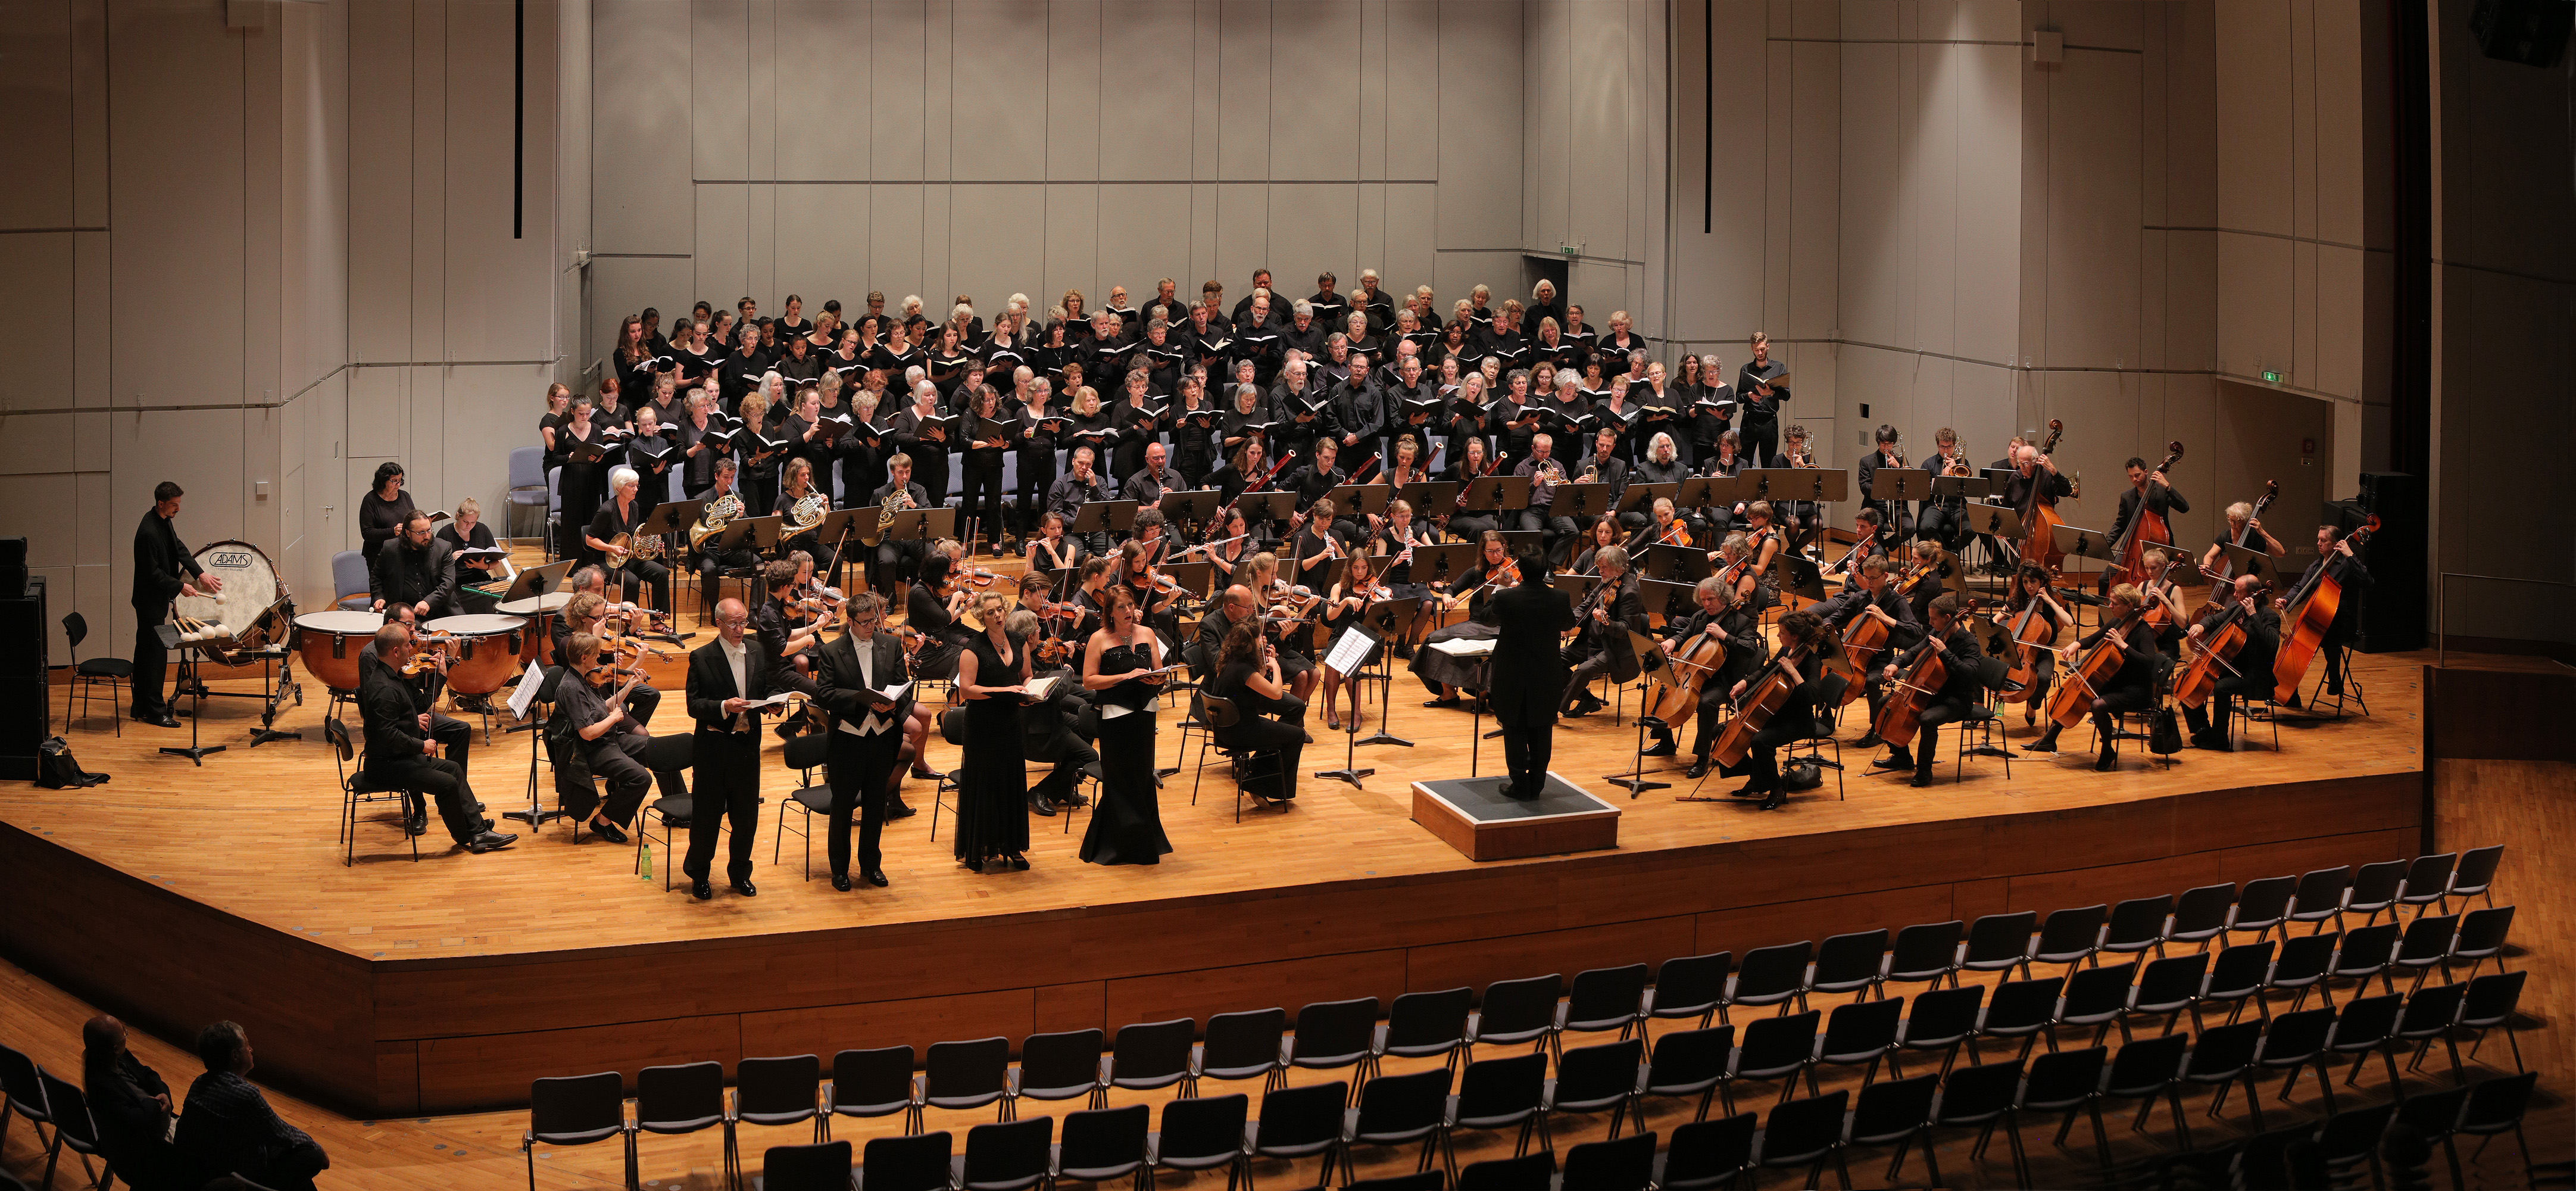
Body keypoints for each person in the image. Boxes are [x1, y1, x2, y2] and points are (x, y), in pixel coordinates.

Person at [359, 623, 513, 852]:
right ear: (395, 652)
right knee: (447, 783)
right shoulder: (385, 689)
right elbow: (386, 735)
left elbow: (399, 718)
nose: (412, 649)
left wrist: (413, 724)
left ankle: (477, 829)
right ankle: (469, 835)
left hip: (397, 757)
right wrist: (421, 745)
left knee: (453, 769)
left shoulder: (389, 676)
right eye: (407, 645)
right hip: (388, 765)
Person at [683, 598, 785, 899]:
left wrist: (774, 702)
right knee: (707, 817)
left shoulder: (756, 650)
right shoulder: (701, 657)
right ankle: (700, 874)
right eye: (734, 623)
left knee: (745, 818)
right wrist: (723, 707)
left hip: (746, 748)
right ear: (719, 624)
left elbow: (764, 689)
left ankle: (740, 873)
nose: (741, 628)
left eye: (743, 622)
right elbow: (694, 706)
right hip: (713, 749)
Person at [811, 592, 913, 891]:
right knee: (842, 807)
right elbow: (824, 694)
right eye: (865, 622)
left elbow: (903, 688)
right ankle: (840, 870)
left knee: (874, 805)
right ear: (851, 622)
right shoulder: (832, 652)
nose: (871, 627)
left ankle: (871, 865)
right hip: (848, 741)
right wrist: (861, 699)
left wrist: (894, 705)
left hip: (882, 738)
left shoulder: (891, 645)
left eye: (874, 621)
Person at [553, 631, 689, 846]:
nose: (600, 660)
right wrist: (615, 718)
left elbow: (603, 707)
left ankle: (678, 811)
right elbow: (587, 733)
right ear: (584, 658)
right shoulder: (571, 687)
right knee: (641, 778)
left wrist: (629, 687)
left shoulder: (586, 678)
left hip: (611, 739)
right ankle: (603, 821)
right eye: (596, 656)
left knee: (661, 752)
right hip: (592, 750)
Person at [1079, 587, 1172, 865]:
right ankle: (1117, 844)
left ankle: (1145, 840)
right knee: (1120, 777)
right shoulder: (1099, 639)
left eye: (1130, 605)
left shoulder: (1147, 634)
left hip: (1145, 711)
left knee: (1142, 775)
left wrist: (1157, 679)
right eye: (1121, 607)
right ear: (1109, 612)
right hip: (1115, 715)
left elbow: (1158, 671)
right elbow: (1088, 681)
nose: (1129, 611)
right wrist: (1125, 676)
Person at [178, 1022, 329, 1191]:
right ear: (235, 1056)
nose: (251, 1050)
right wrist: (318, 1148)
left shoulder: (198, 1083)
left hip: (202, 1170)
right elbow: (284, 1133)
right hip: (236, 1178)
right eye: (247, 1046)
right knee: (311, 1156)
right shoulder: (245, 1095)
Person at [2029, 584, 2159, 770]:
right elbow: (2093, 639)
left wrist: (2123, 645)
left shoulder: (2143, 631)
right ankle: (2050, 739)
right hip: (2115, 682)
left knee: (2097, 705)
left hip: (2136, 689)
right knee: (2075, 691)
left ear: (2129, 606)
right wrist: (2076, 644)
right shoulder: (2117, 622)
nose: (2110, 607)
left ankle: (2107, 750)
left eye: (2115, 603)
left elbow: (2149, 662)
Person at [1868, 593, 1987, 787]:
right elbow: (1914, 651)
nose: (1930, 622)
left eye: (1933, 618)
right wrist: (1896, 663)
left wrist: (1945, 653)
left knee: (1928, 719)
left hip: (1957, 699)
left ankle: (1924, 771)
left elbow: (1969, 674)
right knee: (1884, 704)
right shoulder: (1936, 633)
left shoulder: (1968, 643)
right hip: (1931, 693)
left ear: (1947, 618)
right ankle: (1901, 757)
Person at [1721, 609, 1835, 810]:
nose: (1777, 635)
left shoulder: (1812, 661)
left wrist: (1793, 671)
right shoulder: (1786, 651)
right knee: (1721, 731)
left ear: (1794, 636)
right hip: (1775, 714)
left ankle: (1775, 788)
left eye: (1781, 632)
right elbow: (1766, 670)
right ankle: (1757, 778)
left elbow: (1811, 697)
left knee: (1760, 741)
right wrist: (1745, 683)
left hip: (1798, 721)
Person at [1650, 577, 1767, 774]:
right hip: (1694, 675)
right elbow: (1685, 635)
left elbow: (1750, 648)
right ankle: (1666, 743)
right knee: (1664, 689)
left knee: (1707, 703)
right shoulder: (1700, 617)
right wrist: (1672, 641)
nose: (1707, 604)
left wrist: (1725, 636)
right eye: (1703, 600)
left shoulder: (1742, 621)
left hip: (1725, 680)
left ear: (1724, 597)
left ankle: (1702, 758)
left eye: (1711, 599)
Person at [1488, 549, 1578, 799]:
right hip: (1546, 674)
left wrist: (1499, 586)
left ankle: (1519, 784)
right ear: (1545, 570)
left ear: (1522, 571)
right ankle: (1537, 784)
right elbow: (1568, 624)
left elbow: (1485, 617)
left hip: (1511, 673)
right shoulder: (1560, 598)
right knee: (1541, 729)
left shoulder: (1506, 598)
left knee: (1514, 729)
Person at [955, 591, 1033, 871]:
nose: (998, 615)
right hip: (982, 727)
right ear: (981, 617)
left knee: (1010, 783)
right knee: (985, 786)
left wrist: (1030, 690)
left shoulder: (1018, 640)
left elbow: (1026, 675)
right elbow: (966, 690)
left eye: (1000, 610)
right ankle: (977, 849)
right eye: (991, 613)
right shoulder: (972, 648)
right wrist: (1005, 691)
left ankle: (1011, 846)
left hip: (1011, 722)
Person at [130, 481, 219, 728]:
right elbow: (152, 573)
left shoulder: (163, 521)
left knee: (146, 651)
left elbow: (177, 548)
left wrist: (199, 573)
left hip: (155, 599)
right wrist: (180, 587)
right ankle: (155, 712)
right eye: (174, 505)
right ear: (161, 504)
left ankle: (140, 706)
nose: (178, 509)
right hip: (149, 602)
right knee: (154, 656)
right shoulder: (148, 531)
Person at [1208, 615, 1309, 806]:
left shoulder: (1228, 662)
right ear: (1249, 644)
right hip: (1242, 732)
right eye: (1258, 639)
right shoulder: (1244, 670)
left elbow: (1257, 678)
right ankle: (1260, 784)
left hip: (1224, 729)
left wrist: (1265, 663)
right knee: (1296, 735)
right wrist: (1277, 668)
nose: (1261, 641)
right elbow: (1277, 693)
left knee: (1283, 733)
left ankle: (1255, 776)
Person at [83, 1015, 191, 1191]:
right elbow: (134, 1119)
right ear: (116, 1048)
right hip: (144, 1147)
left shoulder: (114, 1055)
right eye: (124, 1034)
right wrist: (155, 1104)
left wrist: (163, 1093)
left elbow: (148, 1074)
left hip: (154, 1121)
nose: (126, 1036)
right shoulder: (99, 1083)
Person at [2183, 573, 2283, 750]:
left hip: (2254, 674)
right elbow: (2215, 619)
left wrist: (2254, 616)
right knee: (2186, 679)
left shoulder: (2270, 617)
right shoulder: (2235, 607)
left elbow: (2271, 645)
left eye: (2239, 592)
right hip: (2232, 667)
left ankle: (2220, 739)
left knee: (2222, 688)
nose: (2235, 595)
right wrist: (2202, 625)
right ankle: (2202, 730)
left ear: (2253, 594)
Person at [2279, 523, 2374, 704]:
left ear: (2336, 544)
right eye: (2318, 539)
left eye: (2324, 540)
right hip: (2319, 620)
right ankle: (2289, 693)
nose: (2319, 543)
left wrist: (2350, 555)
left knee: (2328, 637)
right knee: (2292, 642)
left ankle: (2335, 678)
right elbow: (2301, 587)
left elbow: (2368, 582)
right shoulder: (2316, 566)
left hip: (2342, 623)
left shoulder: (2347, 564)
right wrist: (2286, 600)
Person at [585, 465, 673, 612]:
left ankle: (658, 619)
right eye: (631, 486)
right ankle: (630, 622)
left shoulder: (634, 506)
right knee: (632, 581)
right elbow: (590, 539)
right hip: (607, 560)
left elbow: (634, 536)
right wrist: (612, 548)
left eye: (637, 485)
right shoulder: (607, 510)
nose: (636, 489)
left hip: (628, 557)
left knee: (661, 573)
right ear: (619, 488)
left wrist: (651, 545)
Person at [2106, 454, 2191, 588]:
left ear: (2146, 472)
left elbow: (2184, 507)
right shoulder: (2127, 497)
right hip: (2131, 549)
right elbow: (2120, 524)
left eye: (2137, 475)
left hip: (2158, 547)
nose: (2134, 479)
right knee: (2105, 579)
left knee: (2158, 585)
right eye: (2131, 476)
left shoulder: (2162, 492)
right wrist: (2106, 544)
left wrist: (2168, 486)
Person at [369, 511, 458, 624]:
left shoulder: (443, 548)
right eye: (421, 533)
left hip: (440, 611)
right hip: (404, 616)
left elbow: (449, 583)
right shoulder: (390, 548)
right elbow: (376, 576)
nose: (427, 536)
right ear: (407, 533)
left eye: (429, 530)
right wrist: (379, 597)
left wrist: (428, 602)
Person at [356, 460, 417, 560]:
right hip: (379, 555)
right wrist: (393, 531)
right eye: (394, 481)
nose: (398, 484)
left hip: (403, 551)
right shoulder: (370, 500)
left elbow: (413, 519)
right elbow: (367, 533)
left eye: (400, 480)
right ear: (383, 481)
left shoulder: (404, 496)